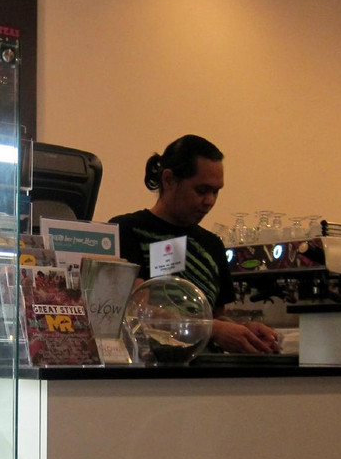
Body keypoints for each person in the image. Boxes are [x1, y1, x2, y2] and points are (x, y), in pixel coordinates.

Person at [109, 134, 280, 355]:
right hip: (149, 369)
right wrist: (213, 329)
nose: (210, 201)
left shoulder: (212, 245)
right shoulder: (125, 231)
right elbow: (136, 311)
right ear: (169, 180)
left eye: (216, 191)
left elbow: (215, 317)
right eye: (201, 190)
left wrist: (245, 331)